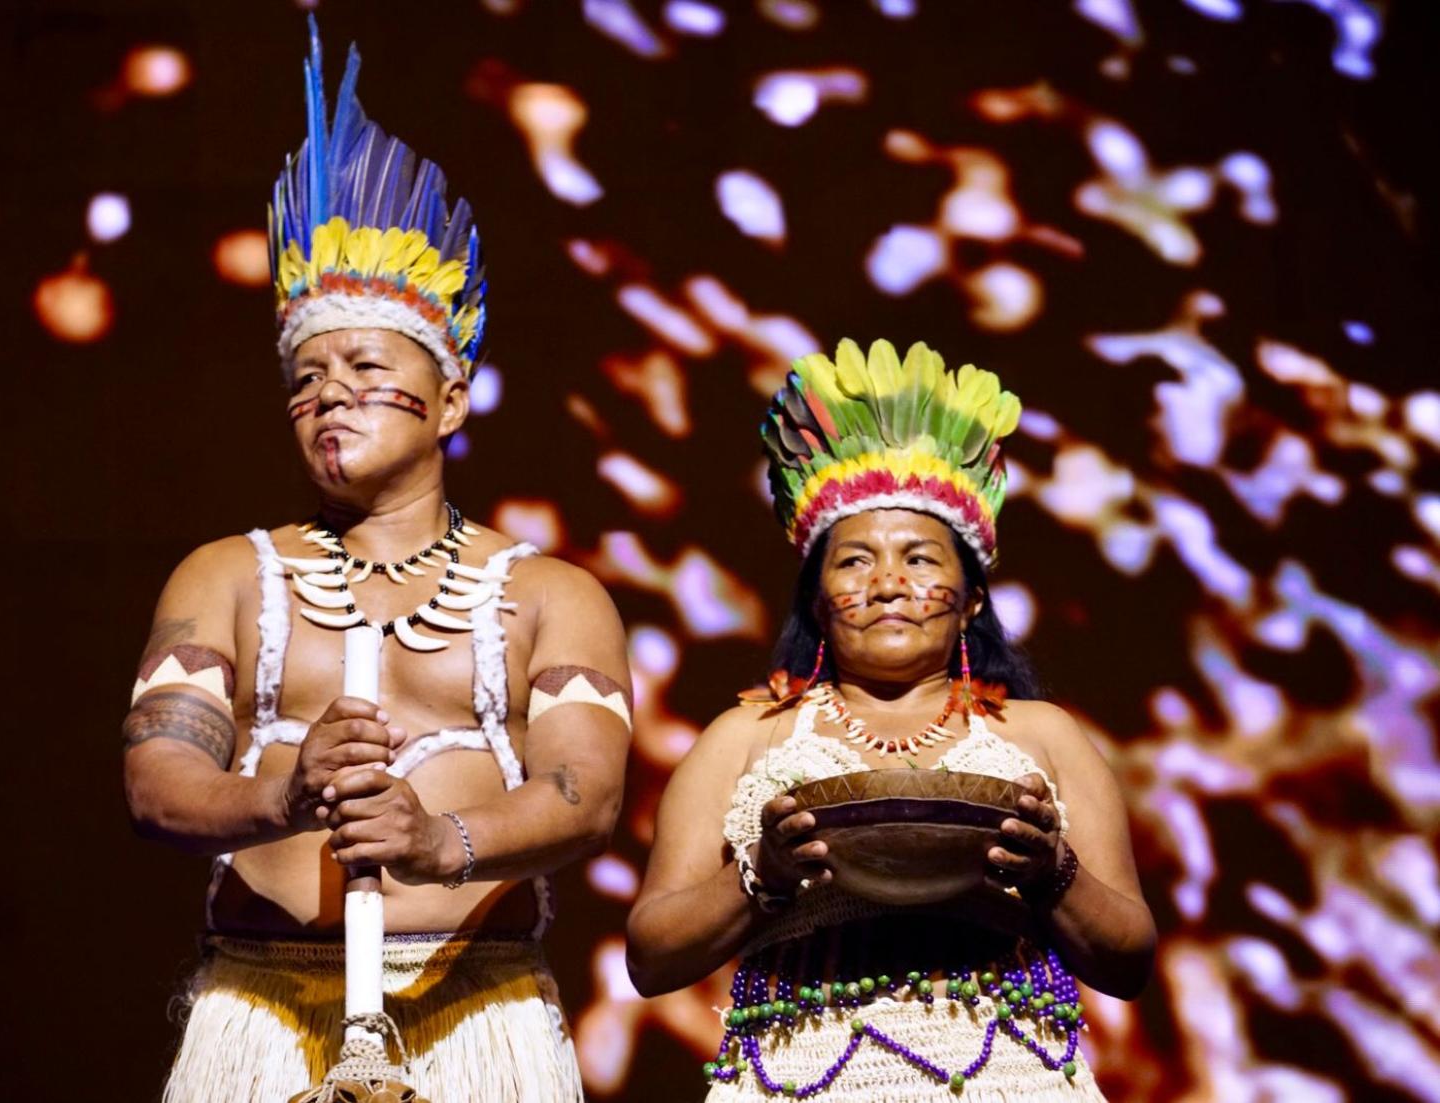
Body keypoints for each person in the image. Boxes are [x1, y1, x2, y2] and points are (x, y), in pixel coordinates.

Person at [122, 22, 630, 1103]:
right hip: (262, 1006)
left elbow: (585, 797)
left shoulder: (547, 593)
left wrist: (440, 841)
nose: (328, 394)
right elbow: (158, 786)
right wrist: (283, 793)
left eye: (363, 363)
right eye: (303, 378)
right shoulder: (224, 576)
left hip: (476, 1008)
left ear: (450, 399)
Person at [627, 339, 1156, 1100]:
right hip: (797, 1079)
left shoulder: (1043, 735)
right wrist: (760, 879)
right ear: (816, 600)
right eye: (852, 562)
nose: (886, 584)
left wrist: (1055, 874)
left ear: (972, 597)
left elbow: (1129, 960)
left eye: (920, 559)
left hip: (1008, 1078)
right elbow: (650, 955)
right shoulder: (745, 737)